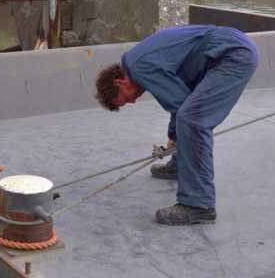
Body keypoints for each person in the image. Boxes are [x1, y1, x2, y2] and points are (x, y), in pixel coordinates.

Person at [95, 25, 259, 225]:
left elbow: (180, 103)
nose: (133, 101)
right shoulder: (137, 62)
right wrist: (174, 135)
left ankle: (198, 205)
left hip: (231, 55)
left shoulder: (140, 68)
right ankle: (181, 166)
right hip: (228, 48)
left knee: (193, 120)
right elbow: (181, 95)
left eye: (126, 99)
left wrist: (175, 134)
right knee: (189, 114)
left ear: (120, 83)